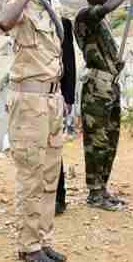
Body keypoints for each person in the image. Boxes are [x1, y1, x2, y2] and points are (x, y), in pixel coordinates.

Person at [0, 0, 70, 262]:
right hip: (28, 99)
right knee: (31, 175)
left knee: (49, 174)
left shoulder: (56, 6)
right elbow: (3, 22)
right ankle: (27, 248)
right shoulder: (22, 1)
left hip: (51, 98)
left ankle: (42, 240)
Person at [74, 0, 133, 211]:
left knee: (110, 139)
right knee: (97, 141)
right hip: (96, 88)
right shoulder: (85, 15)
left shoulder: (101, 22)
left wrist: (115, 64)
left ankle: (103, 188)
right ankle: (94, 193)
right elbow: (104, 9)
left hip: (110, 85)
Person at [55, 16, 77, 216]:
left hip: (55, 95)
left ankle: (58, 198)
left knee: (53, 149)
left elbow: (68, 58)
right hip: (31, 95)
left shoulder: (62, 21)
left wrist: (68, 95)